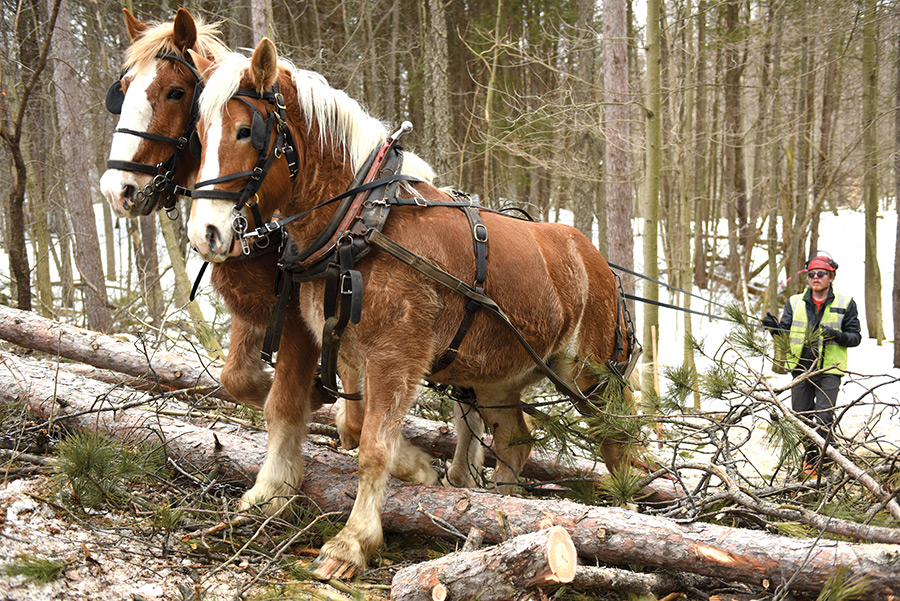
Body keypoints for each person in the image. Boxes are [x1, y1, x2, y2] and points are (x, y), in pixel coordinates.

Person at [761, 252, 861, 476]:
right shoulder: (794, 302)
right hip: (800, 367)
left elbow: (856, 337)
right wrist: (773, 328)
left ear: (831, 277)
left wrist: (836, 335)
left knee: (824, 416)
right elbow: (784, 334)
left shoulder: (846, 303)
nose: (816, 278)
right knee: (802, 419)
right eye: (812, 274)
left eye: (821, 274)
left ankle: (825, 463)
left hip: (829, 369)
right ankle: (812, 462)